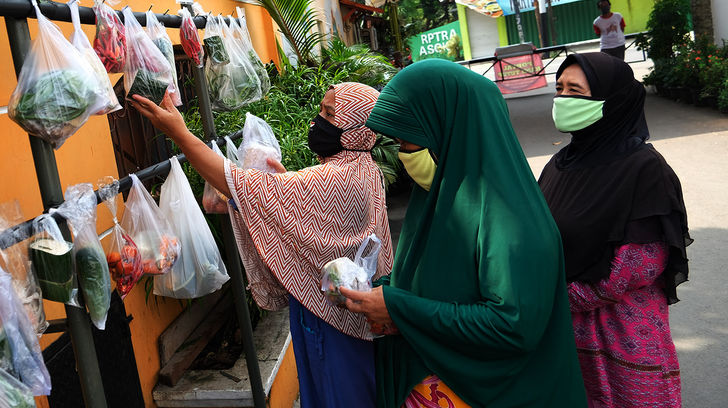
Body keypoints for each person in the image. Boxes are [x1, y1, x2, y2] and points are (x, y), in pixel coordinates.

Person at [339, 59, 588, 408]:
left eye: (409, 141)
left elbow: (511, 327)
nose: (404, 154)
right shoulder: (438, 199)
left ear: (449, 130)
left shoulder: (513, 222)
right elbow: (427, 285)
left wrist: (398, 308)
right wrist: (382, 296)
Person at [130, 82, 394, 408]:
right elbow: (321, 217)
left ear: (356, 128)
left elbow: (236, 182)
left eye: (329, 115)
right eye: (320, 111)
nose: (317, 122)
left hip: (331, 321)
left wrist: (179, 133)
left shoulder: (336, 177)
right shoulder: (363, 168)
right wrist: (284, 193)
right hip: (347, 314)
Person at [539, 52, 690, 408]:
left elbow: (642, 261)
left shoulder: (645, 169)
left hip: (621, 333)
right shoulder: (558, 166)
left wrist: (553, 298)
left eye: (576, 91)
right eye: (559, 89)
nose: (563, 100)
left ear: (613, 100)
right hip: (562, 335)